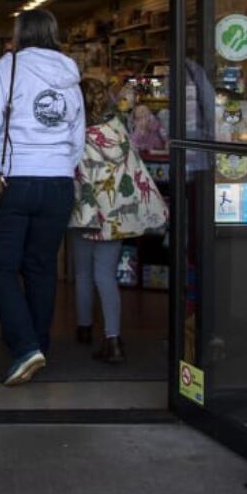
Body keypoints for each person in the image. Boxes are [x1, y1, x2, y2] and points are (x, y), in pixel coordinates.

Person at [0, 9, 85, 386]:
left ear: (19, 33)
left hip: (11, 181)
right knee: (41, 267)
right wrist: (62, 166)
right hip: (58, 184)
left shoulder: (8, 68)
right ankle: (38, 344)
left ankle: (25, 346)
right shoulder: (70, 77)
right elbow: (77, 135)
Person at [70, 79, 169, 363]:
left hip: (84, 213)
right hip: (116, 215)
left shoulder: (76, 135)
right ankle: (112, 339)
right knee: (106, 275)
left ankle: (84, 328)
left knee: (83, 273)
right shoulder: (121, 133)